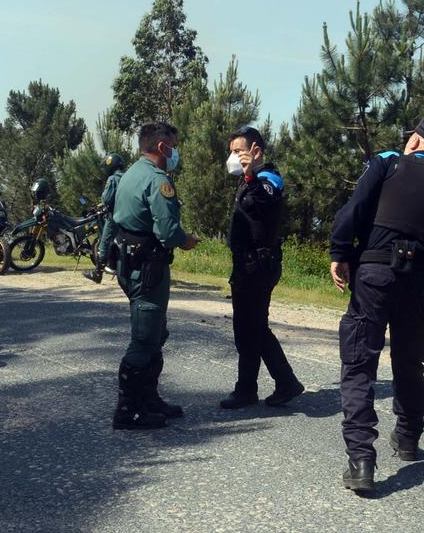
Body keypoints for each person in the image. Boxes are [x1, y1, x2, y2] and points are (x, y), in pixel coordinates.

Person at [329, 116, 424, 493]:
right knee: (409, 362)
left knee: (359, 364)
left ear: (414, 142)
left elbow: (354, 210)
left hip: (374, 274)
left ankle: (361, 460)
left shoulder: (386, 164)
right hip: (418, 283)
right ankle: (407, 438)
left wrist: (339, 253)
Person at [109, 122, 199, 430]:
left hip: (129, 264)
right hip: (147, 269)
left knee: (156, 334)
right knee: (145, 339)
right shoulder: (158, 180)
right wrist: (187, 241)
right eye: (174, 145)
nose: (176, 152)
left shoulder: (131, 174)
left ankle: (148, 399)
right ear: (162, 147)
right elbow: (168, 231)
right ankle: (128, 411)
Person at [219, 126, 304, 410]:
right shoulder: (250, 179)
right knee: (250, 328)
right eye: (231, 152)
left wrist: (251, 173)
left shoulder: (268, 179)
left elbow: (261, 200)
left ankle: (255, 388)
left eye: (238, 151)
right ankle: (276, 383)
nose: (233, 157)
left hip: (259, 267)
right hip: (246, 266)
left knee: (250, 328)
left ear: (255, 151)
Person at [84, 153, 126, 284]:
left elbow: (107, 199)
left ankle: (98, 273)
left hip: (115, 216)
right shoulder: (127, 177)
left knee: (105, 242)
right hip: (130, 216)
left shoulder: (113, 179)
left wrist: (103, 202)